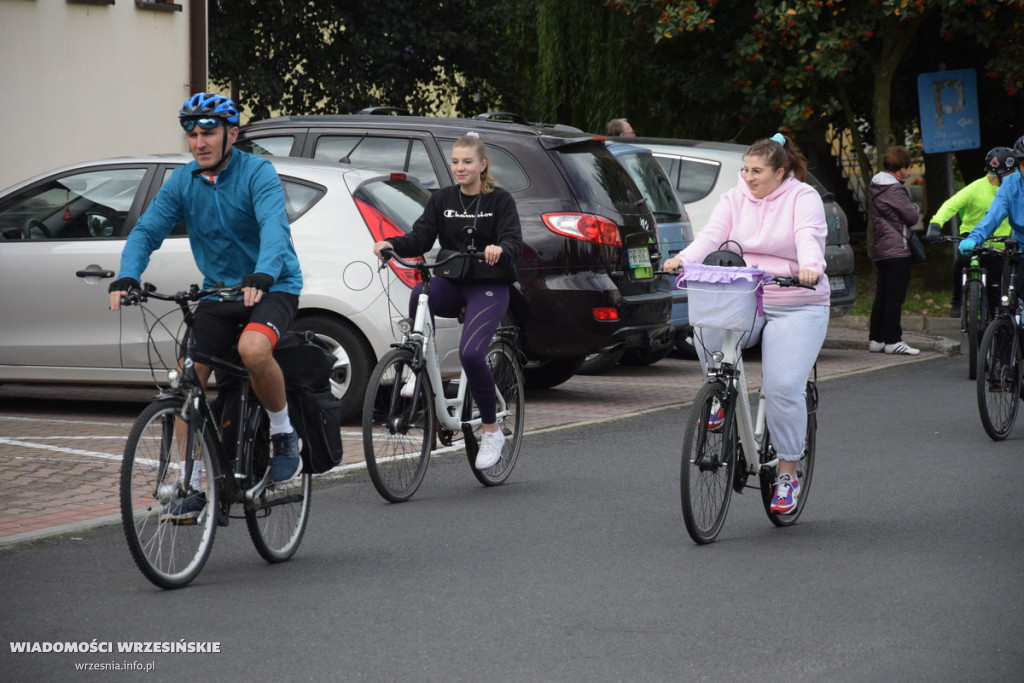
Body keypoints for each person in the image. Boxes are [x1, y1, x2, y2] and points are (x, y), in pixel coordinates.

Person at [107, 92, 305, 517]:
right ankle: (192, 483)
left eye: (209, 133)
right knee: (185, 380)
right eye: (192, 134)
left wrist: (264, 273)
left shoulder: (258, 173)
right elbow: (147, 231)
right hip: (220, 291)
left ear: (231, 134)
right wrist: (128, 274)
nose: (199, 142)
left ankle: (283, 431)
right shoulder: (183, 181)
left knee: (254, 350)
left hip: (274, 286)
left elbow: (274, 226)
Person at [663, 133, 828, 515]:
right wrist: (684, 260)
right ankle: (720, 396)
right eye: (745, 170)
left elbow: (808, 237)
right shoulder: (734, 197)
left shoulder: (803, 198)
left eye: (757, 171)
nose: (749, 177)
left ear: (780, 173)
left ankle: (787, 472)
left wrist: (810, 268)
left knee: (784, 385)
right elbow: (710, 236)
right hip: (745, 295)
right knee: (707, 330)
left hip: (795, 301)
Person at [372, 132, 523, 471]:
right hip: (454, 281)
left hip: (488, 286)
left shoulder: (499, 201)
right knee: (419, 294)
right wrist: (390, 243)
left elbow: (514, 240)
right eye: (455, 162)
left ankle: (491, 429)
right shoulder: (442, 199)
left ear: (482, 165)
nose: (460, 167)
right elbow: (420, 237)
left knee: (471, 353)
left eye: (467, 162)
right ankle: (419, 364)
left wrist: (500, 249)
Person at [924, 147, 1016, 316]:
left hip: (999, 241)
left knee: (995, 289)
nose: (1015, 176)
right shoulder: (976, 188)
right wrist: (936, 224)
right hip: (971, 236)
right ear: (1001, 174)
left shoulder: (1012, 190)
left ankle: (993, 325)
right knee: (962, 261)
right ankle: (957, 301)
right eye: (1011, 173)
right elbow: (951, 204)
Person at [867, 146, 922, 356]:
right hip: (897, 249)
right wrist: (914, 208)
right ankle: (893, 341)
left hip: (881, 248)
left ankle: (876, 339)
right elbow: (911, 217)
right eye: (908, 167)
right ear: (901, 169)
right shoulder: (895, 189)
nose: (908, 171)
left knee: (882, 295)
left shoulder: (875, 185)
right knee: (895, 298)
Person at [959, 135, 1024, 296]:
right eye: (1023, 163)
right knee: (1006, 301)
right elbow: (994, 215)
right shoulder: (1010, 184)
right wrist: (975, 237)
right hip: (1020, 249)